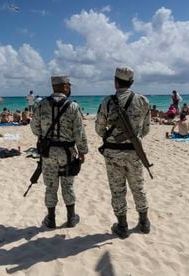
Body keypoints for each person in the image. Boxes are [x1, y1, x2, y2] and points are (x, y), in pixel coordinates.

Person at [95, 66, 151, 239]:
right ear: (132, 82)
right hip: (134, 152)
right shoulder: (143, 101)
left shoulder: (107, 102)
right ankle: (144, 222)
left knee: (117, 190)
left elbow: (99, 128)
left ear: (115, 81)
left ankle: (122, 226)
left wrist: (110, 137)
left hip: (113, 153)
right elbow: (146, 129)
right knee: (138, 187)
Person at [30, 75, 88, 229]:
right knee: (67, 185)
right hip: (67, 152)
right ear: (64, 87)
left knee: (50, 186)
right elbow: (79, 133)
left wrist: (44, 135)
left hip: (48, 151)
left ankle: (51, 219)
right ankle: (71, 218)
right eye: (69, 85)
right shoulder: (73, 107)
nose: (70, 87)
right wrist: (82, 151)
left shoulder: (41, 105)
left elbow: (34, 127)